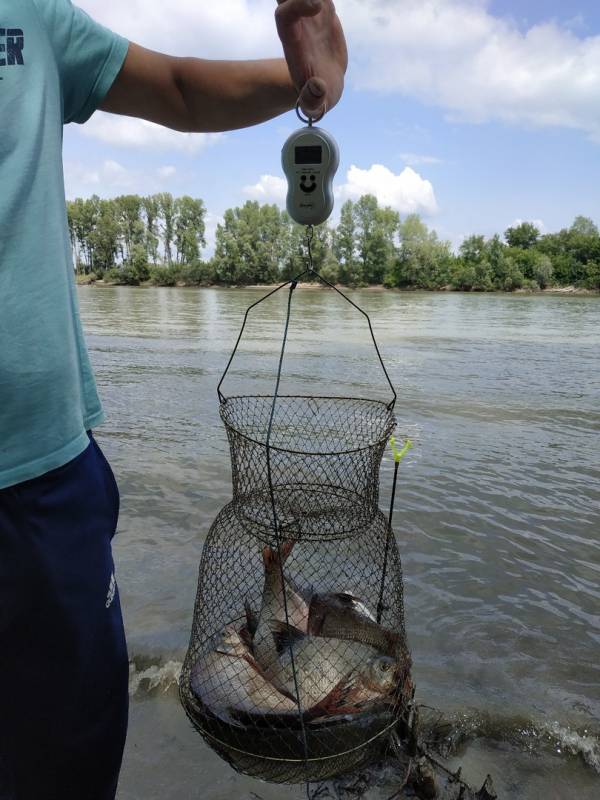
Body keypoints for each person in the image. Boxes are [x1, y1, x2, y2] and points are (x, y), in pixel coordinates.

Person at [0, 1, 347, 798]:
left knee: (69, 761)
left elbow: (183, 89)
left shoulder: (33, 15)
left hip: (43, 480)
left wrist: (308, 81)